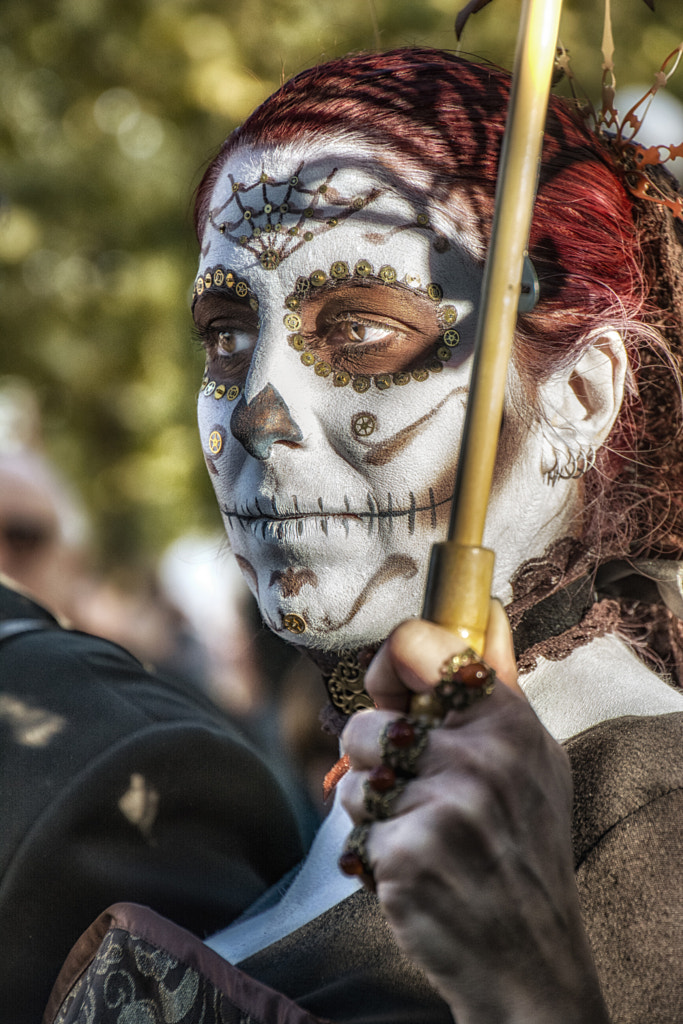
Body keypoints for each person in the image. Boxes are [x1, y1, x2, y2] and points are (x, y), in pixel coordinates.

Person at [45, 49, 683, 1023]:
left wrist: (529, 986)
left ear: (580, 396)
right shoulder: (314, 807)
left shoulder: (652, 807)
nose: (256, 410)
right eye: (225, 333)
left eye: (358, 329)